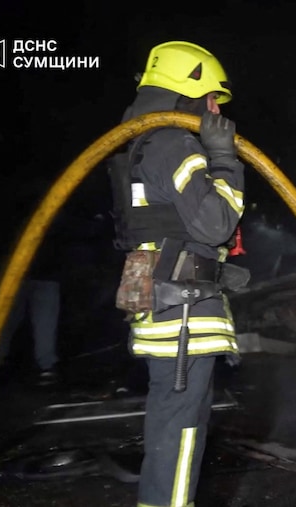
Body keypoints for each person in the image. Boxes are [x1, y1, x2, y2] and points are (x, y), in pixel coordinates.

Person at [110, 40, 247, 507]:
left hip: (167, 305)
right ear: (188, 92)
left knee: (171, 427)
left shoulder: (143, 142)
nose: (216, 109)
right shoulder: (173, 143)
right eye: (212, 98)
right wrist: (225, 159)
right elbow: (216, 224)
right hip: (183, 313)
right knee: (181, 433)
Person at [0, 177, 81, 386]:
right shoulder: (24, 208)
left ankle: (0, 365)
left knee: (13, 321)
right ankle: (0, 365)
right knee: (15, 321)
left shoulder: (23, 207)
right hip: (25, 274)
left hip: (35, 273)